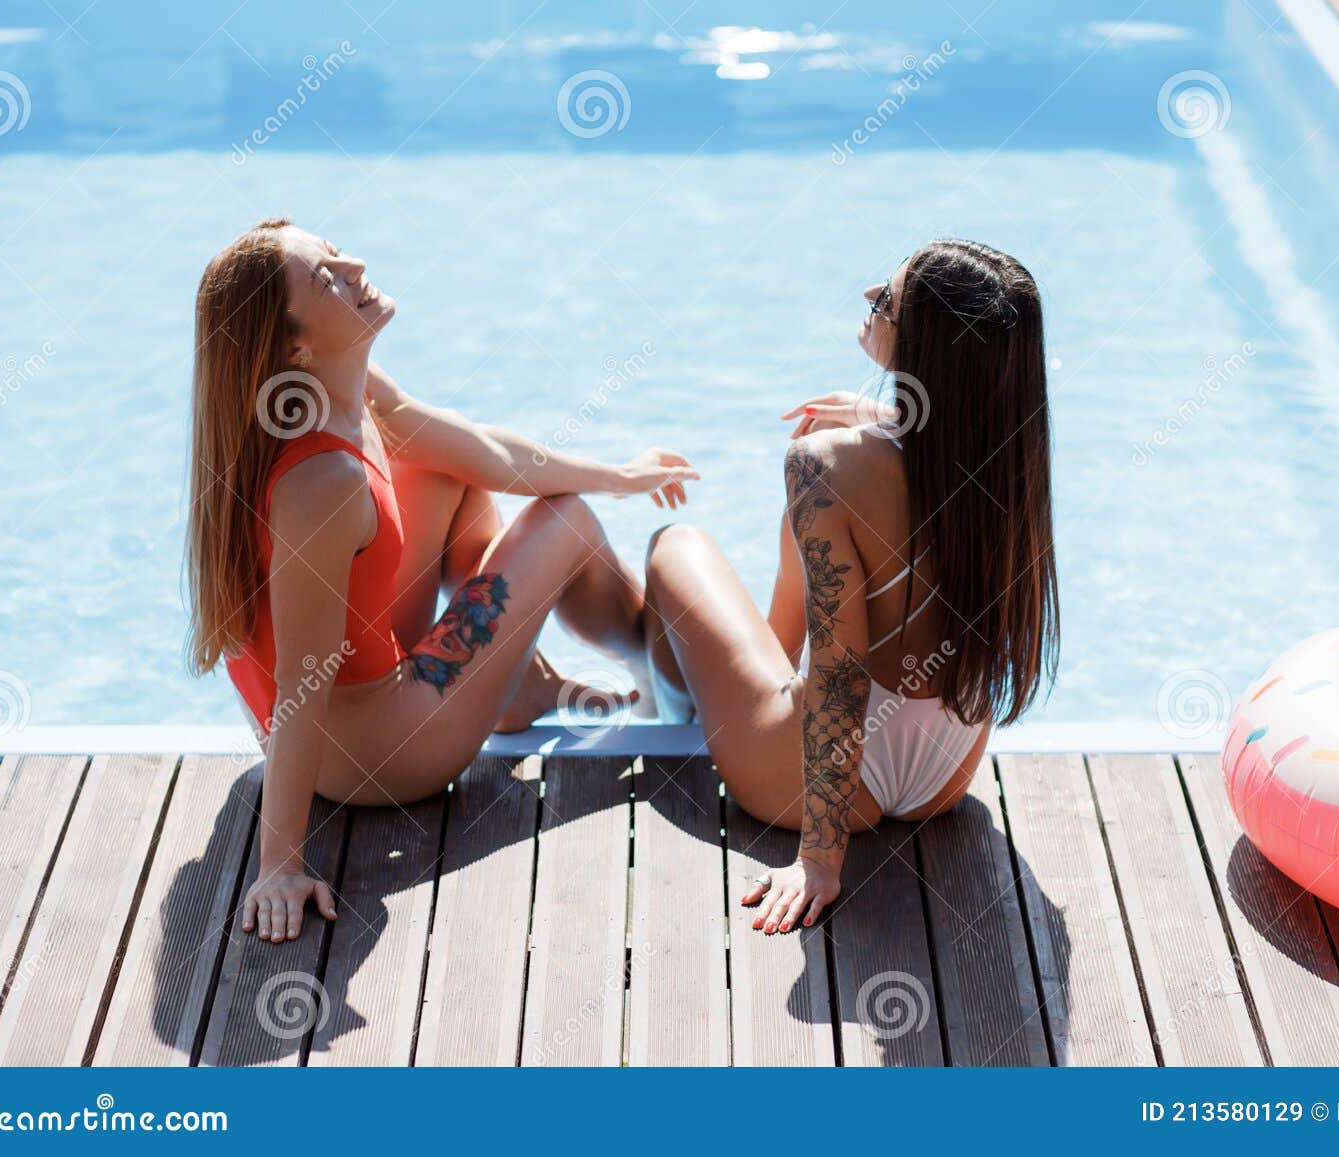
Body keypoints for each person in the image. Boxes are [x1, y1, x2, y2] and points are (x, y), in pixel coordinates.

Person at [184, 218, 697, 943]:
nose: (355, 265)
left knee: (440, 466)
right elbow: (302, 680)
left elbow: (484, 453)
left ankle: (513, 681)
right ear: (294, 344)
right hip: (368, 755)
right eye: (326, 278)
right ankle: (666, 684)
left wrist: (622, 474)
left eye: (334, 251)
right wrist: (280, 862)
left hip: (345, 707)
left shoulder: (334, 392)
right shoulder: (322, 483)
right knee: (569, 521)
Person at [642, 239, 1059, 936]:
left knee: (674, 547)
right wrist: (881, 421)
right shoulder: (1012, 450)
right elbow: (935, 458)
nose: (870, 294)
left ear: (925, 342)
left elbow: (841, 674)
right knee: (813, 517)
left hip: (822, 783)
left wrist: (819, 859)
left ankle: (674, 704)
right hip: (943, 774)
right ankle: (758, 678)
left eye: (887, 299)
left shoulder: (821, 463)